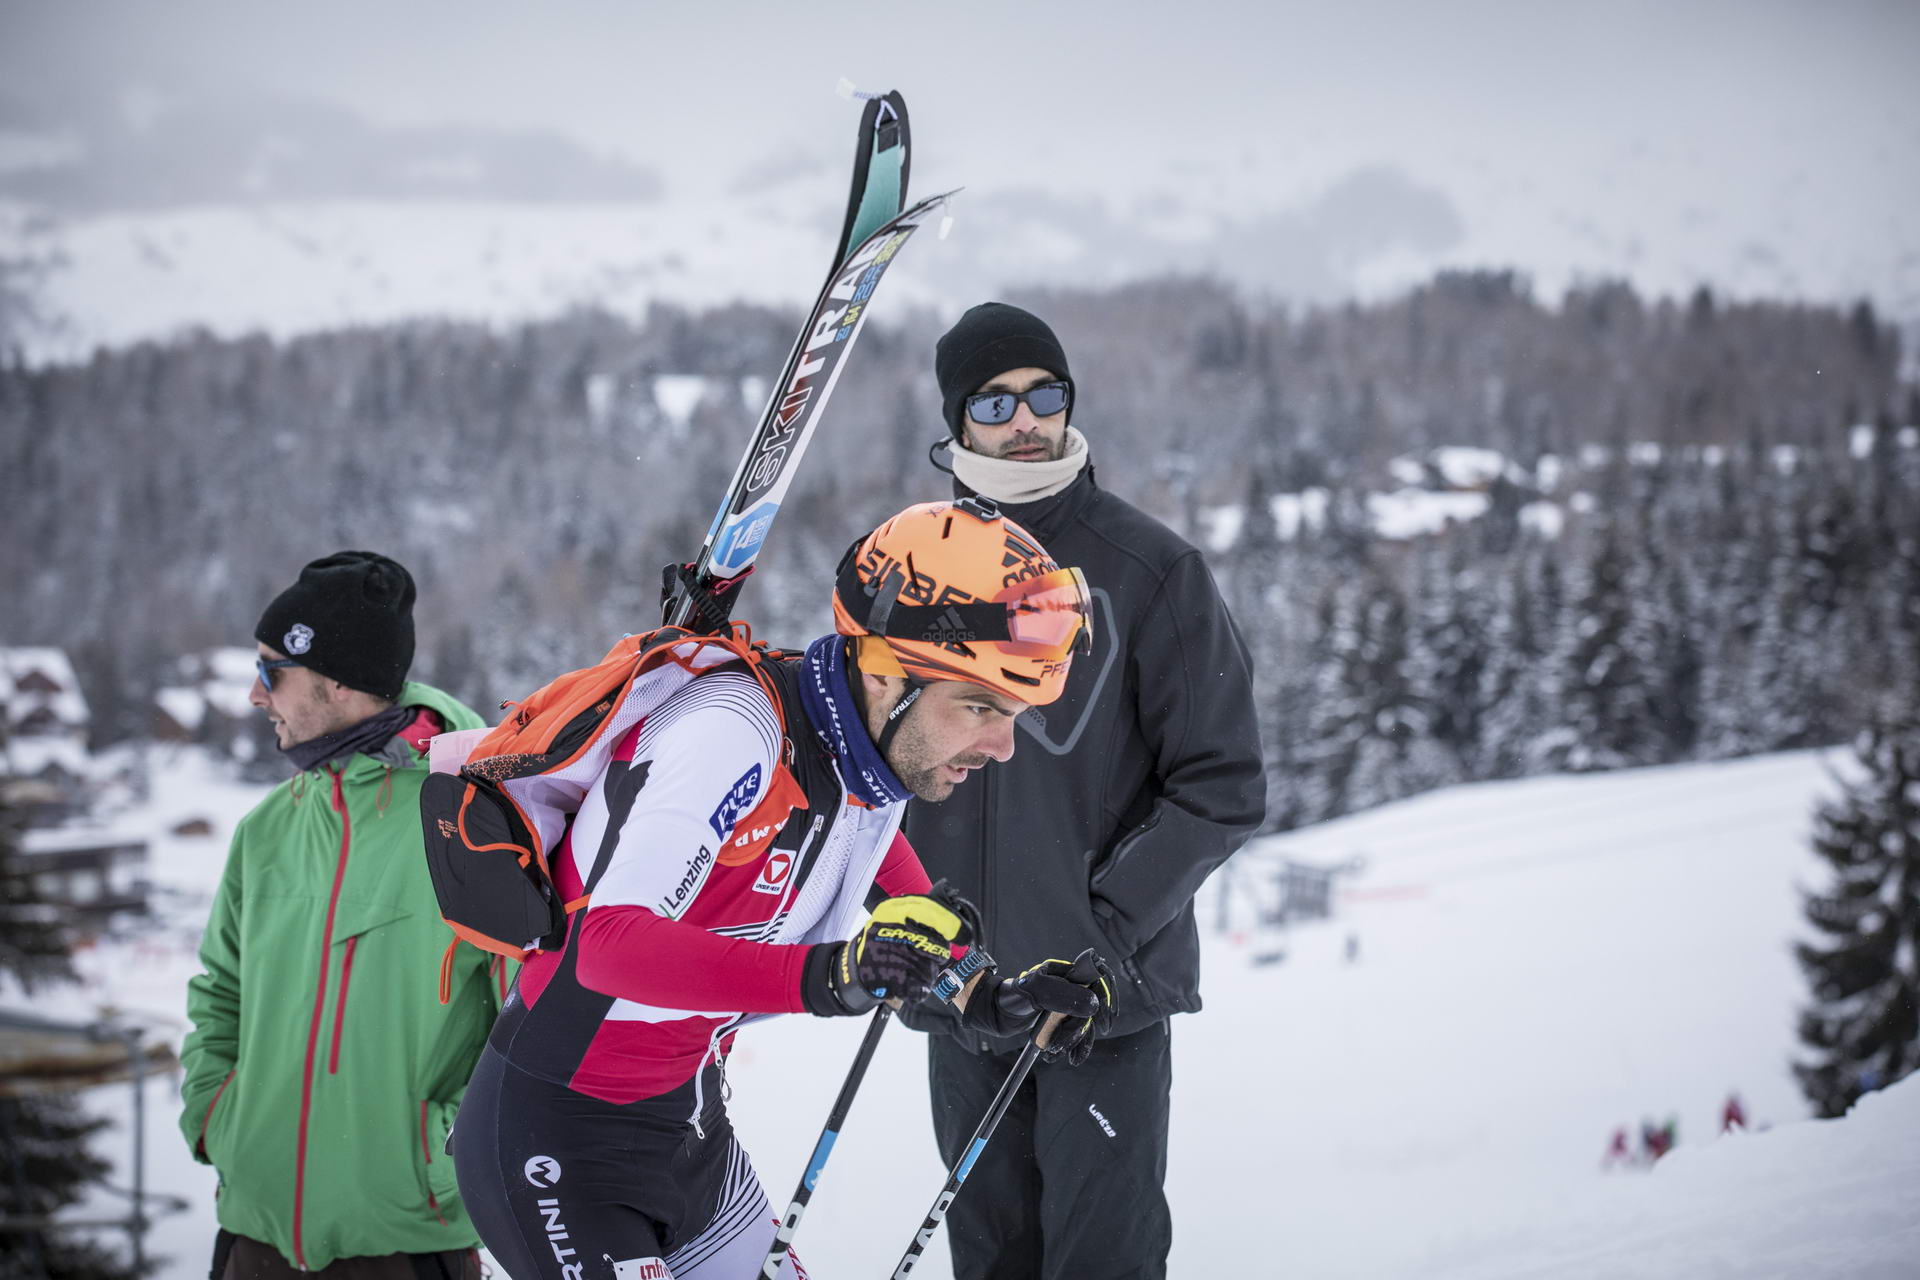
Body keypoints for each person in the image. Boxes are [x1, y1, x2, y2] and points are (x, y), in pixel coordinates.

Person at [449, 500, 1115, 1280]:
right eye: (981, 707)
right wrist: (833, 975)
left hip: (689, 1132)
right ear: (884, 671)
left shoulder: (861, 743)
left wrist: (979, 987)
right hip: (559, 1145)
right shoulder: (733, 731)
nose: (1002, 745)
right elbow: (606, 949)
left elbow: (871, 848)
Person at [901, 302, 1268, 1279]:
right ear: (958, 425)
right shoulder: (917, 578)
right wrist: (907, 927)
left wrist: (1102, 927)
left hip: (1101, 1001)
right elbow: (873, 766)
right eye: (995, 401)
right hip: (968, 999)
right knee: (991, 1262)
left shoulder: (1151, 570)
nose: (1024, 418)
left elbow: (1222, 783)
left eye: (1043, 393)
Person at [179, 551, 505, 1279]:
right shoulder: (265, 830)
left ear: (337, 682)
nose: (256, 696)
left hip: (406, 1241)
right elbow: (218, 993)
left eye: (271, 672)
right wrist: (217, 1117)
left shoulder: (472, 822)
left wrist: (442, 1155)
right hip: (252, 1236)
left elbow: (531, 1019)